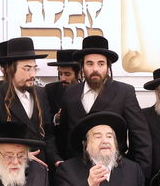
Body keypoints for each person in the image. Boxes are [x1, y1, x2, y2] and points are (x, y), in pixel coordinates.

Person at [60, 35, 152, 170]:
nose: (95, 69)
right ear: (82, 66)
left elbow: (140, 136)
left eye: (101, 64)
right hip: (77, 170)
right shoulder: (70, 92)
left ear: (108, 66)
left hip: (114, 169)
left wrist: (140, 173)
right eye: (90, 64)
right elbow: (63, 134)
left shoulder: (124, 92)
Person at [52, 111, 154, 186]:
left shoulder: (132, 169)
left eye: (109, 136)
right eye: (98, 136)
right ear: (85, 144)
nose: (105, 141)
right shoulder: (68, 169)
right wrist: (88, 185)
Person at [0, 37, 58, 163]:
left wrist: (56, 160)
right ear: (11, 70)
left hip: (40, 169)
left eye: (34, 68)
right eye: (27, 69)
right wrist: (21, 156)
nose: (33, 74)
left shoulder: (41, 94)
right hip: (10, 169)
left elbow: (47, 135)